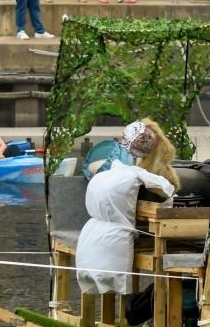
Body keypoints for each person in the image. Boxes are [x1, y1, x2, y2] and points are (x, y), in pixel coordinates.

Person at [76, 120, 177, 297]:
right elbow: (168, 189)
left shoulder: (101, 178)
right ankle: (132, 309)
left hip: (91, 234)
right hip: (115, 235)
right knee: (120, 286)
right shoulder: (132, 173)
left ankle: (130, 310)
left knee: (106, 281)